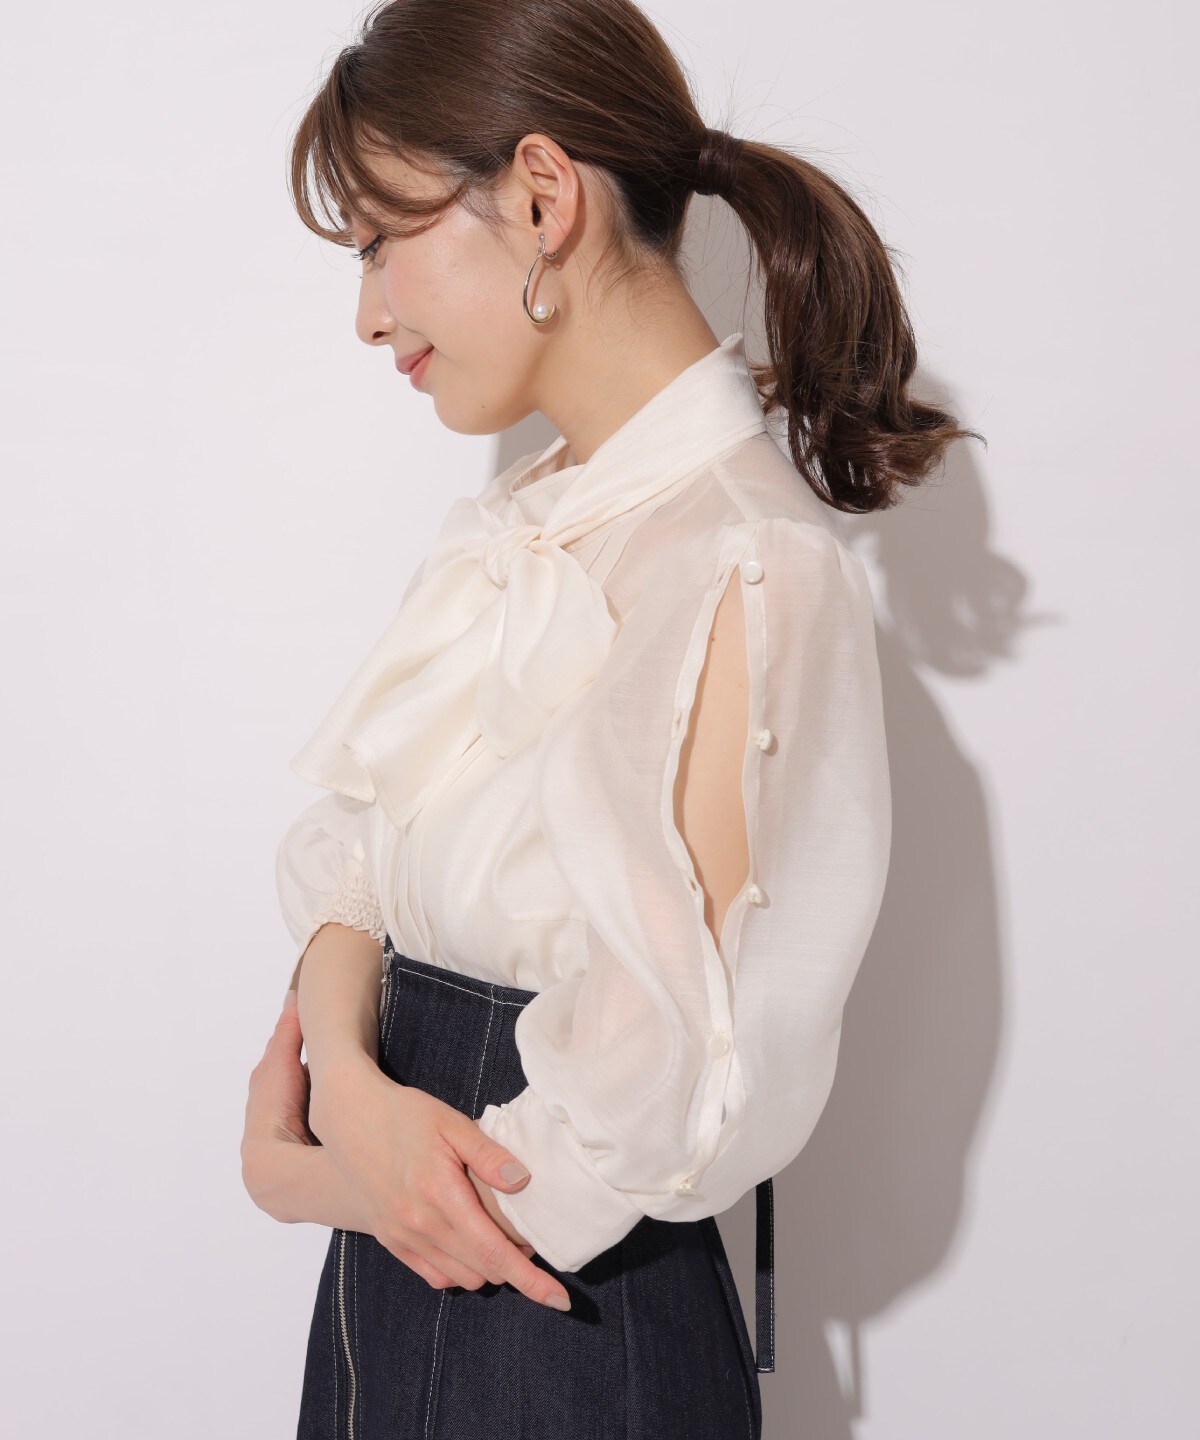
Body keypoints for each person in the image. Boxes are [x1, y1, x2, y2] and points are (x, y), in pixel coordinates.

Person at [239, 1, 982, 1434]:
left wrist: (306, 1172)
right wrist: (348, 1081)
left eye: (382, 242)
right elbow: (356, 861)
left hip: (551, 1332)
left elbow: (649, 1105)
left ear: (540, 196)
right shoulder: (523, 528)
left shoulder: (747, 566)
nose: (367, 314)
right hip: (395, 1285)